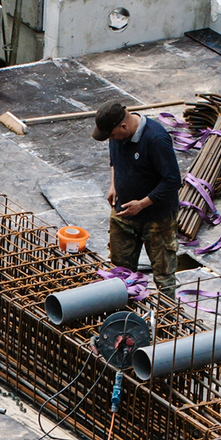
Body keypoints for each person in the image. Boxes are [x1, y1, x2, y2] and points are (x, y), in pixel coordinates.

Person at [92, 101, 181, 299]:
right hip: (124, 214)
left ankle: (166, 322)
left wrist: (142, 204)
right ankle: (123, 319)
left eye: (113, 135)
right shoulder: (117, 134)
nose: (112, 139)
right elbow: (114, 159)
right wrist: (114, 184)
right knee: (119, 273)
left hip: (158, 219)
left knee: (164, 276)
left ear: (123, 126)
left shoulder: (156, 139)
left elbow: (173, 180)